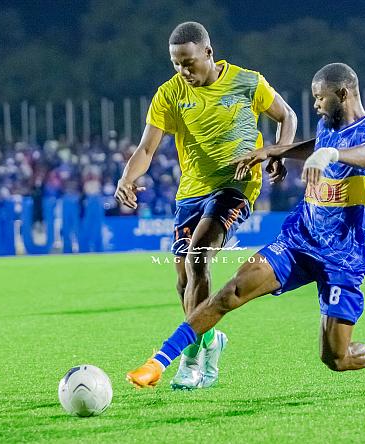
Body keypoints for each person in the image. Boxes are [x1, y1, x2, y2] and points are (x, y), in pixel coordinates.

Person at [126, 63, 365, 394]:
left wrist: (329, 154)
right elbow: (317, 143)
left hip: (342, 258)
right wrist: (274, 151)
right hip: (298, 241)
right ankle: (158, 363)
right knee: (231, 291)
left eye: (320, 97)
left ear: (342, 94)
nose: (316, 104)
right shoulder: (328, 125)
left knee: (336, 357)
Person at [114, 22, 297, 390]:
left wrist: (278, 152)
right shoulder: (169, 94)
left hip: (236, 185)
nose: (183, 71)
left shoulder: (247, 82)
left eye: (189, 62)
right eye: (176, 64)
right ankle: (211, 340)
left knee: (198, 258)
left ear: (208, 53)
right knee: (184, 279)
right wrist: (127, 177)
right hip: (191, 191)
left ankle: (190, 361)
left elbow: (286, 116)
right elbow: (147, 148)